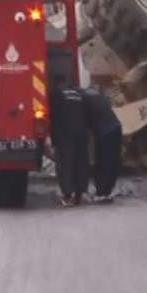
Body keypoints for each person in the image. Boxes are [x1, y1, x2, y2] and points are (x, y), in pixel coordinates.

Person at [50, 75, 90, 206]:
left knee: (65, 164)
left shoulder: (57, 93)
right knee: (80, 163)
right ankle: (81, 193)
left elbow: (54, 115)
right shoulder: (77, 93)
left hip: (66, 134)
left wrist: (54, 138)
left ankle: (68, 195)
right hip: (82, 133)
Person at [82, 85, 122, 203]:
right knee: (113, 161)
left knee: (103, 161)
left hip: (105, 131)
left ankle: (102, 192)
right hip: (116, 127)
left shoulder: (84, 100)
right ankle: (107, 191)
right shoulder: (98, 96)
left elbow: (85, 121)